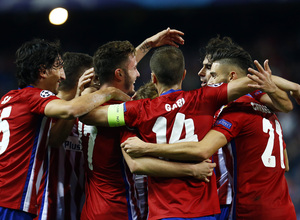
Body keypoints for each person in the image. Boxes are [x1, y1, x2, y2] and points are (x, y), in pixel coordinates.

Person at [80, 44, 292, 219]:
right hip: (207, 210)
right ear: (183, 74)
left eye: (209, 69)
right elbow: (252, 82)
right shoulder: (204, 98)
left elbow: (87, 114)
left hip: (164, 211)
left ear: (153, 78)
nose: (203, 74)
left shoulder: (138, 110)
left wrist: (103, 91)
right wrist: (293, 88)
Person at [78, 28, 216, 220]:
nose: (137, 73)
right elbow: (135, 164)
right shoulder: (123, 113)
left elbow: (83, 111)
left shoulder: (88, 104)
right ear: (118, 74)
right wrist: (191, 170)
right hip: (119, 209)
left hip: (90, 209)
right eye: (134, 69)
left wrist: (148, 45)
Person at [0, 39, 129, 220]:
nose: (62, 76)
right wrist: (109, 92)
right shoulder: (35, 97)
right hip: (15, 200)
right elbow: (71, 109)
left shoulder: (9, 98)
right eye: (58, 67)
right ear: (43, 71)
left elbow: (55, 137)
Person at [35, 52, 97, 220]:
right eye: (96, 79)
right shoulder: (41, 112)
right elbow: (54, 140)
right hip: (45, 211)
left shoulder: (90, 118)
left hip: (79, 211)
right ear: (86, 81)